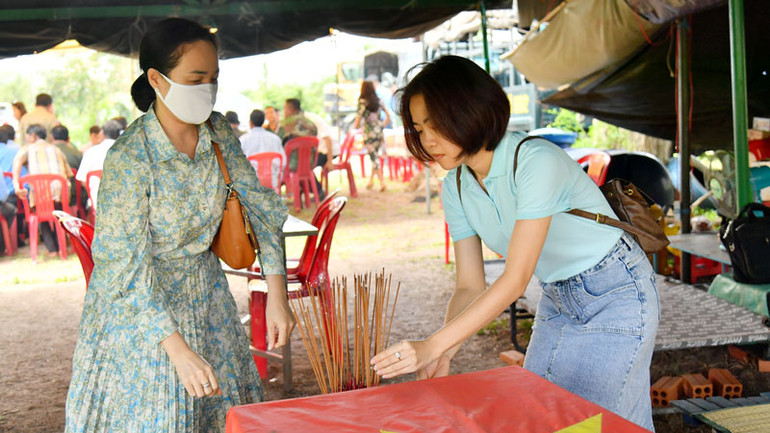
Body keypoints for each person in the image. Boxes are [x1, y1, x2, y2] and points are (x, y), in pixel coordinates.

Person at [370, 56, 659, 431]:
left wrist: (434, 343)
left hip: (616, 291)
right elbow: (469, 285)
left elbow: (516, 280)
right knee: (550, 413)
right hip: (558, 296)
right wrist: (445, 349)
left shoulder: (534, 161)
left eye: (436, 124)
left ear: (471, 111)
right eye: (418, 128)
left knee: (590, 422)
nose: (427, 140)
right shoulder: (456, 186)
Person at [65, 18, 293, 433]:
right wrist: (177, 348)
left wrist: (277, 292)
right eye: (195, 78)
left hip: (208, 300)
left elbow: (258, 208)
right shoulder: (130, 158)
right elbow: (121, 266)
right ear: (156, 78)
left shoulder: (218, 130)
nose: (207, 88)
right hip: (141, 315)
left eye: (213, 78)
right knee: (160, 417)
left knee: (221, 415)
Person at [12, 124, 73, 257]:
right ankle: (63, 248)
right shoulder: (56, 149)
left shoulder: (27, 149)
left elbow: (16, 162)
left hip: (40, 198)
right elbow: (68, 174)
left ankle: (52, 250)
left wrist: (17, 184)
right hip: (60, 197)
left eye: (28, 136)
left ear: (33, 136)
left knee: (40, 214)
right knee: (58, 215)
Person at [76, 119, 121, 211]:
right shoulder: (126, 151)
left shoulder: (90, 152)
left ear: (102, 133)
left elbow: (83, 181)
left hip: (97, 205)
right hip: (122, 205)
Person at [353, 80, 390, 192]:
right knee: (374, 156)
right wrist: (381, 126)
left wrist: (356, 126)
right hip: (379, 131)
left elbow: (358, 118)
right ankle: (370, 182)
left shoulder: (363, 102)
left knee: (373, 157)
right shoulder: (379, 101)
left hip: (369, 133)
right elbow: (388, 116)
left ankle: (382, 182)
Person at [239, 109, 285, 190]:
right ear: (263, 121)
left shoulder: (243, 140)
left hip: (252, 182)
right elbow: (283, 163)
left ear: (250, 123)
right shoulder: (275, 138)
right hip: (273, 181)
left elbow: (239, 164)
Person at [51, 125, 84, 209]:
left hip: (51, 197)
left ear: (51, 137)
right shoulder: (78, 154)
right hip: (73, 197)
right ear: (68, 139)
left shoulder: (46, 154)